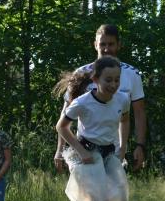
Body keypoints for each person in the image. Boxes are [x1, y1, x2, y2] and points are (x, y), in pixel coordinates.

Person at [52, 56, 130, 201]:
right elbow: (62, 126)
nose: (113, 85)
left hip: (109, 156)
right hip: (88, 156)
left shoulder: (122, 100)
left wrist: (123, 147)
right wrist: (82, 151)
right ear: (96, 79)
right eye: (108, 80)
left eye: (117, 80)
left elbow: (125, 120)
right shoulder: (83, 102)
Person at [55, 24, 146, 172]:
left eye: (111, 44)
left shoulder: (132, 75)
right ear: (95, 45)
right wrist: (60, 149)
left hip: (113, 152)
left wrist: (139, 146)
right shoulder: (81, 73)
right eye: (102, 44)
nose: (106, 49)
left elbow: (138, 113)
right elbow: (66, 115)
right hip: (85, 149)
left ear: (119, 45)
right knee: (90, 194)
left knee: (114, 194)